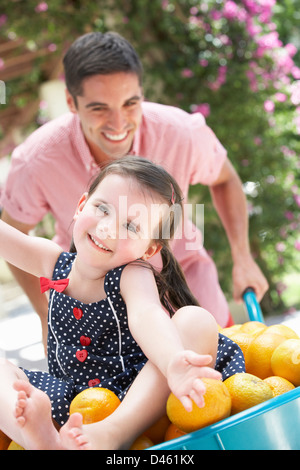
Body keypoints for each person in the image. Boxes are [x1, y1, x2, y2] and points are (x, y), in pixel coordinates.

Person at [0, 31, 268, 344]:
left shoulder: (180, 132)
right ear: (71, 102)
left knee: (223, 374)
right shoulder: (38, 160)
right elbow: (14, 231)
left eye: (130, 103)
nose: (118, 124)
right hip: (93, 298)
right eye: (99, 108)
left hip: (185, 281)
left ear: (142, 93)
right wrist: (47, 315)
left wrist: (243, 258)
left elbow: (224, 179)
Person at [0, 157, 245, 450]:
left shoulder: (132, 274)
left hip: (137, 396)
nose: (107, 228)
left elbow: (147, 316)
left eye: (130, 226)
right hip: (72, 401)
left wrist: (172, 362)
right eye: (102, 208)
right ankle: (41, 440)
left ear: (149, 248)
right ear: (81, 206)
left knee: (195, 320)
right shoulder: (51, 260)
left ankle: (113, 434)